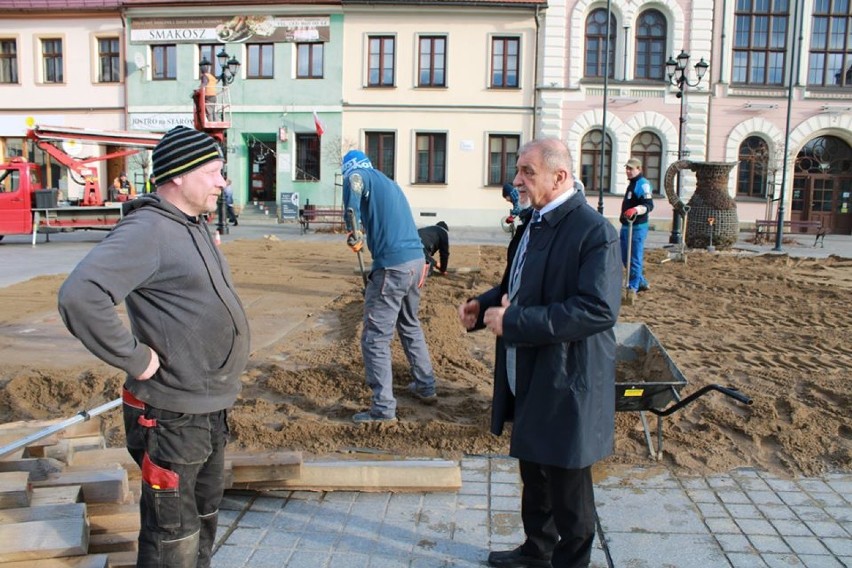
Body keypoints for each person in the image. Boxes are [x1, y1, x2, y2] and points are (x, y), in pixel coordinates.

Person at [58, 125, 250, 568]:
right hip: (172, 417)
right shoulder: (148, 229)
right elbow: (80, 295)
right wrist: (136, 357)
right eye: (216, 171)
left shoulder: (193, 225)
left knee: (200, 520)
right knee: (172, 540)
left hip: (206, 409)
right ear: (180, 176)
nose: (224, 181)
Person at [457, 138, 621, 568]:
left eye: (527, 171)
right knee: (533, 467)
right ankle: (537, 549)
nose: (517, 180)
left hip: (569, 377)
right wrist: (486, 302)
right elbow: (521, 283)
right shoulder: (534, 222)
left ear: (559, 176)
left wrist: (515, 321)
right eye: (518, 170)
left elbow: (598, 309)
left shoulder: (594, 231)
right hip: (527, 367)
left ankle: (571, 561)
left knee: (568, 482)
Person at [342, 149, 438, 422]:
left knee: (375, 338)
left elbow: (355, 182)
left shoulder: (358, 176)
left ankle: (383, 409)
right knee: (409, 324)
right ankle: (425, 385)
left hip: (393, 267)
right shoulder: (388, 183)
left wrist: (353, 229)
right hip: (416, 262)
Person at [621, 157, 655, 293]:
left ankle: (633, 286)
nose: (628, 171)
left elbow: (649, 205)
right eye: (627, 168)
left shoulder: (642, 184)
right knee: (624, 257)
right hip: (626, 225)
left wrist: (636, 210)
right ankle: (641, 282)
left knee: (634, 258)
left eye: (631, 168)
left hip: (637, 227)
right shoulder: (632, 184)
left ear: (639, 169)